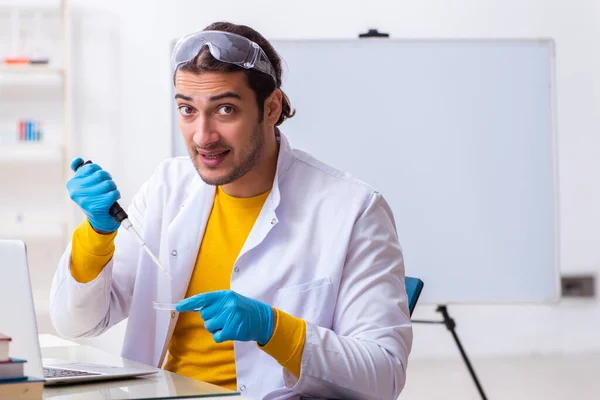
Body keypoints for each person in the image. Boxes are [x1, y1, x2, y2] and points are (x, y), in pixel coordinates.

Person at [50, 21, 412, 400]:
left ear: (270, 107)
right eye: (188, 110)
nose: (203, 136)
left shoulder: (352, 210)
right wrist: (97, 234)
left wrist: (273, 328)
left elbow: (382, 376)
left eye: (225, 109)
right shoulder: (167, 186)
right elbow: (76, 323)